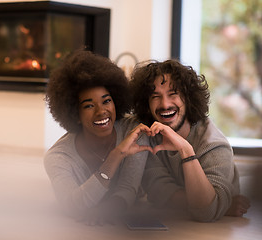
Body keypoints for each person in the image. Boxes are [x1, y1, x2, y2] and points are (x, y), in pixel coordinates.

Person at [129, 59, 251, 222]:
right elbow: (158, 193)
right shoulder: (149, 136)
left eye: (173, 94)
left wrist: (185, 149)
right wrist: (218, 204)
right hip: (176, 225)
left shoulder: (214, 145)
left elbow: (205, 212)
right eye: (155, 97)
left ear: (188, 98)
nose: (165, 104)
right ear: (147, 104)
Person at [44, 50, 152, 225]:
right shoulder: (58, 157)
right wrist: (115, 156)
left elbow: (128, 189)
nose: (101, 111)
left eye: (106, 101)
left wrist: (106, 209)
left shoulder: (134, 131)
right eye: (88, 105)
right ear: (75, 114)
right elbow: (72, 206)